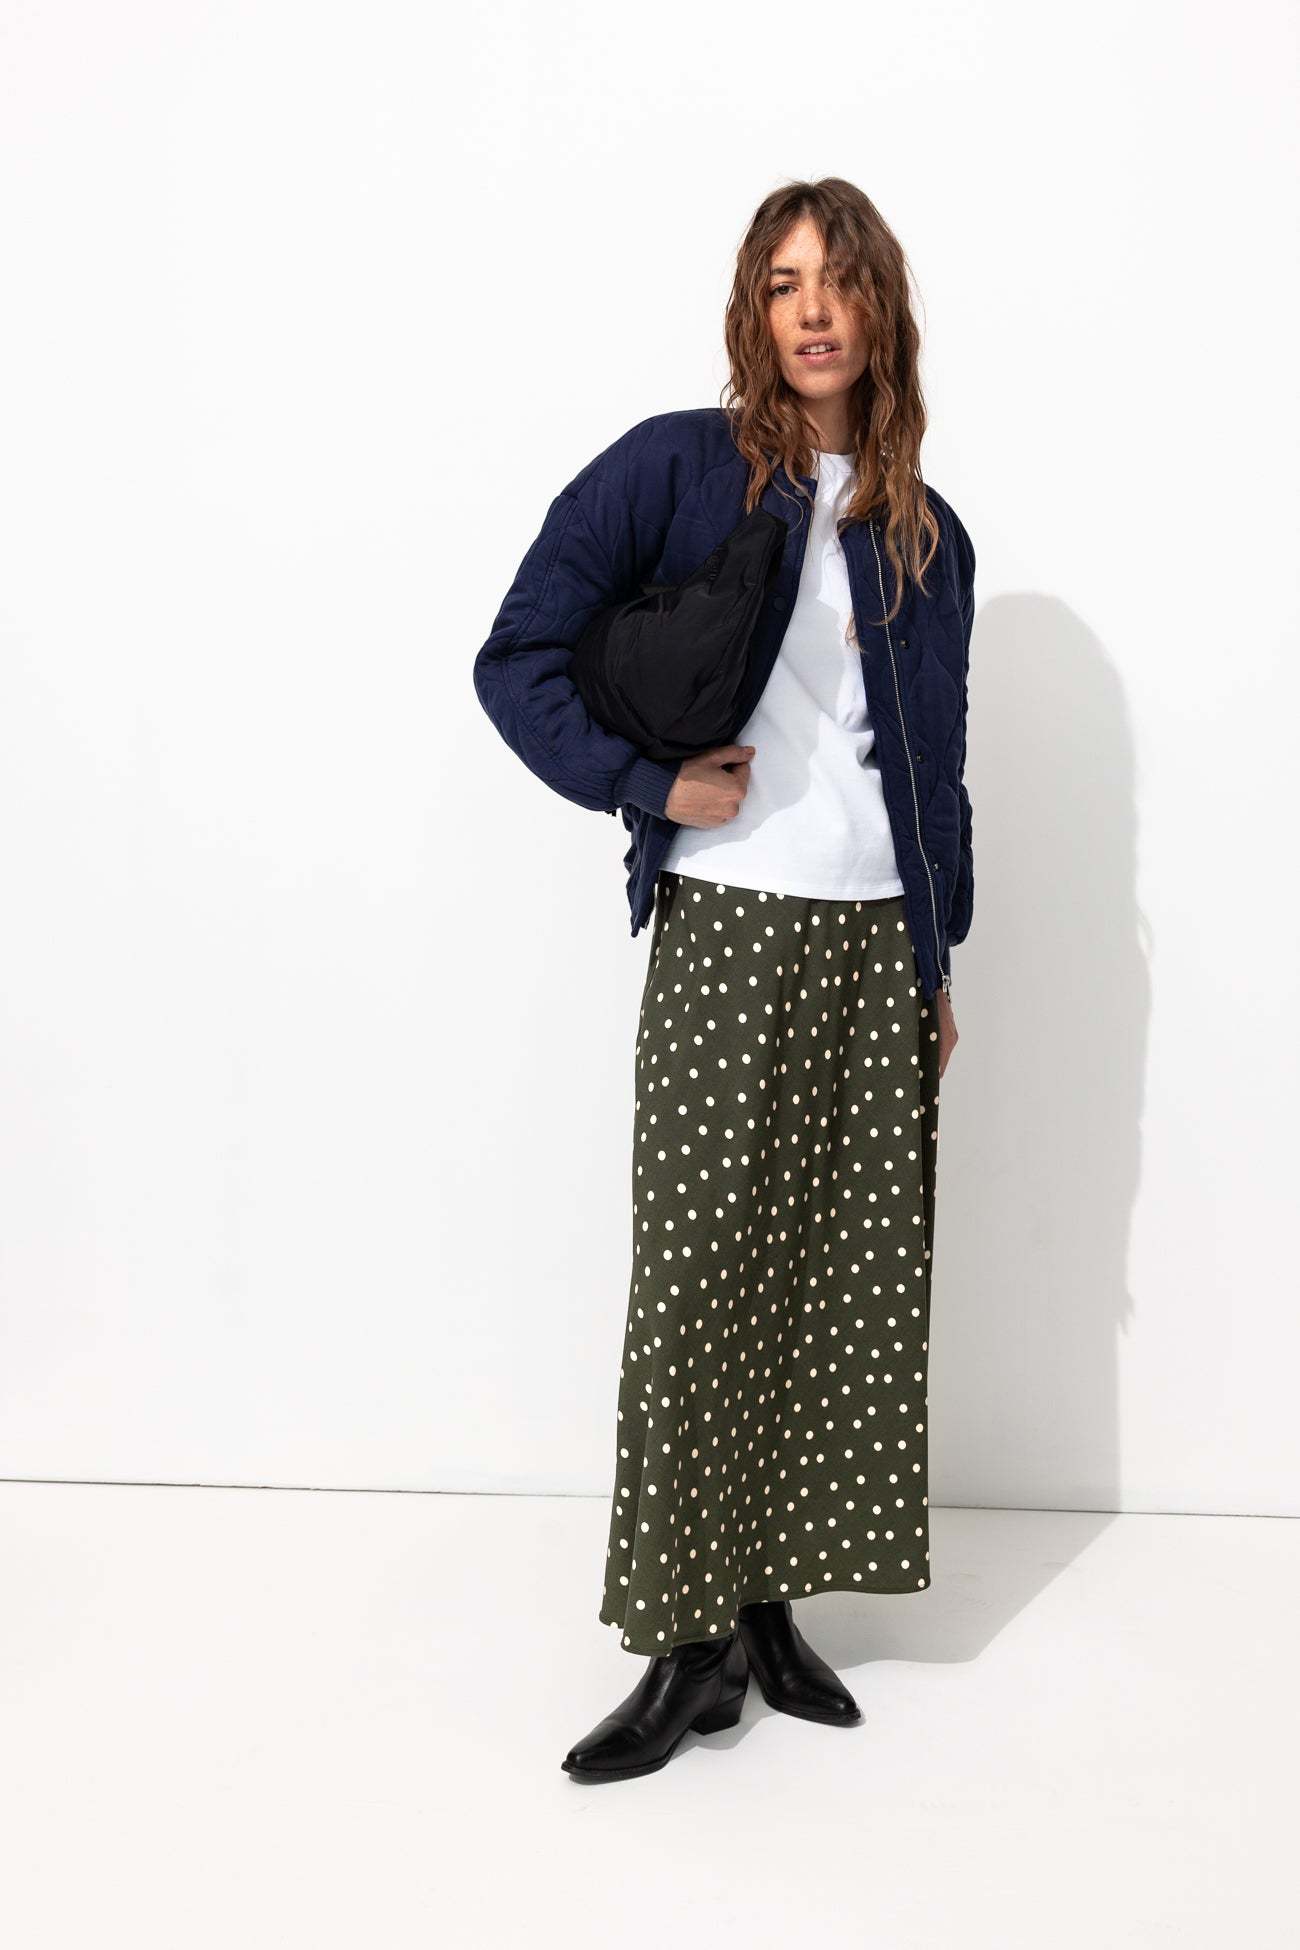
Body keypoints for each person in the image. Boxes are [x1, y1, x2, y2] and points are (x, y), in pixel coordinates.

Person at [472, 176, 976, 1784]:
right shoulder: (680, 467)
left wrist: (938, 957)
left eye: (838, 280)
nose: (812, 309)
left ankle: (766, 1603)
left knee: (836, 1284)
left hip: (873, 938)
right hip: (732, 926)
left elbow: (939, 767)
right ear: (754, 312)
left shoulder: (925, 531)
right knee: (697, 1286)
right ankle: (680, 1644)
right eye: (781, 283)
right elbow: (517, 654)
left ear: (881, 307)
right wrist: (646, 783)